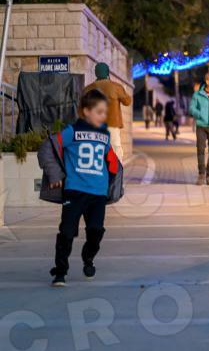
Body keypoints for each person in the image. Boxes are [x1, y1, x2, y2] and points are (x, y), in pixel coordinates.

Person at [41, 89, 122, 287]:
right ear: (86, 111)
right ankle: (60, 271)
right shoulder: (72, 131)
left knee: (96, 231)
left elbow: (112, 163)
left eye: (105, 112)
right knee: (67, 232)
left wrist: (111, 185)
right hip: (75, 191)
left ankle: (88, 258)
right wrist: (55, 174)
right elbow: (47, 148)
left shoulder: (104, 136)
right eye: (99, 111)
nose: (103, 116)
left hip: (97, 194)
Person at [84, 63, 132, 158]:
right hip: (112, 125)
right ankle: (117, 167)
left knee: (97, 149)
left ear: (96, 73)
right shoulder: (116, 87)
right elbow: (127, 101)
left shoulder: (88, 88)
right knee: (115, 149)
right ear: (107, 72)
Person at [189, 73, 209, 186]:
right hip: (201, 126)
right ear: (207, 81)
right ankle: (201, 174)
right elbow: (191, 108)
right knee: (200, 150)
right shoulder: (197, 94)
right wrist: (199, 114)